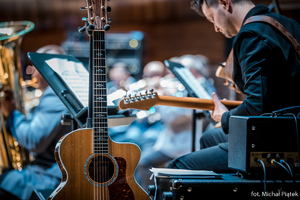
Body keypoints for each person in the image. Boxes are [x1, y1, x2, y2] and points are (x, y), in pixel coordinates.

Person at [167, 0, 300, 171]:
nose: (215, 27)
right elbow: (273, 96)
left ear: (224, 3)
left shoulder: (251, 35)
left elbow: (258, 107)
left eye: (212, 18)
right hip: (289, 125)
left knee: (177, 166)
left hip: (280, 137)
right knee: (208, 137)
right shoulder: (287, 23)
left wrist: (224, 117)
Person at [0, 45, 71, 199]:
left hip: (51, 177)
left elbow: (34, 140)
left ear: (47, 69)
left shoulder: (55, 95)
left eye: (36, 67)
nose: (33, 73)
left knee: (3, 179)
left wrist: (12, 113)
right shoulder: (65, 92)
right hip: (59, 171)